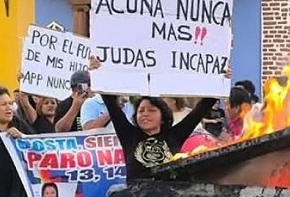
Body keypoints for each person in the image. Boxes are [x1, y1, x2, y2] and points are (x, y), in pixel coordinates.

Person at [88, 57, 222, 179]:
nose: (145, 114)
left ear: (163, 116)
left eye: (151, 110)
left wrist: (222, 78)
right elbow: (111, 103)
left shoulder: (175, 135)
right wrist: (98, 73)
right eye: (141, 111)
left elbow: (201, 109)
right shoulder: (128, 134)